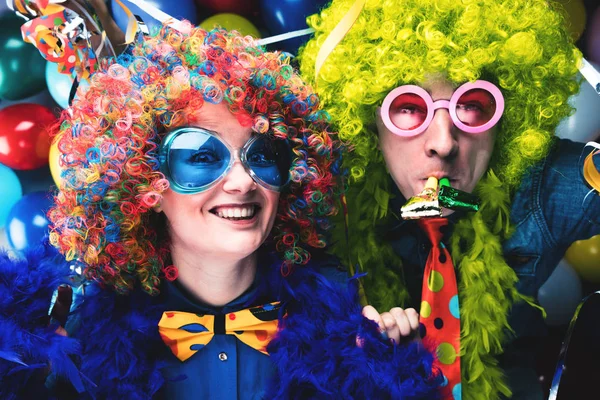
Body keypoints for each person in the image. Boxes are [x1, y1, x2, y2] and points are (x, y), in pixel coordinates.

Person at [0, 23, 440, 399]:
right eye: (201, 156)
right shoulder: (77, 346)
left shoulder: (349, 336)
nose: (244, 180)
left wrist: (393, 375)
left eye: (263, 152)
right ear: (142, 184)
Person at [299, 0, 600, 399]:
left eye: (472, 106)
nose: (443, 143)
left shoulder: (544, 186)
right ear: (369, 117)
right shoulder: (324, 204)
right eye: (408, 108)